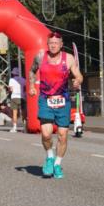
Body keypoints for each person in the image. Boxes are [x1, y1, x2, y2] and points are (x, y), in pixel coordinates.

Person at [29, 33, 83, 179]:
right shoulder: (40, 56)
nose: (53, 45)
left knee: (62, 135)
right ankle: (49, 157)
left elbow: (78, 75)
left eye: (56, 43)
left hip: (63, 101)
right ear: (47, 44)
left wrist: (77, 80)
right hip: (46, 99)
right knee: (46, 134)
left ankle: (57, 164)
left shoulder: (69, 58)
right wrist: (32, 85)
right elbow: (32, 71)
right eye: (50, 43)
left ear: (61, 44)